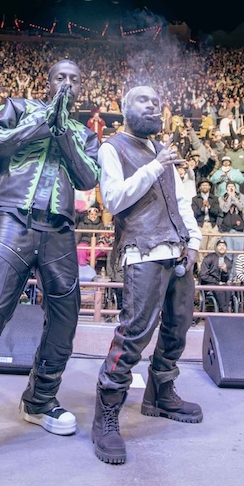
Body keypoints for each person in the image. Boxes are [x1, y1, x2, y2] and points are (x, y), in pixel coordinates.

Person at [0, 59, 100, 480]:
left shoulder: (84, 133)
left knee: (67, 315)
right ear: (47, 81)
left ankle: (40, 400)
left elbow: (86, 177)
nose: (67, 83)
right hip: (12, 218)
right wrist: (45, 121)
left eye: (74, 79)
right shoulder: (17, 106)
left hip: (59, 225)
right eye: (60, 77)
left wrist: (62, 130)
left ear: (81, 87)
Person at [91, 85, 202, 466]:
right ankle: (106, 412)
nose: (154, 105)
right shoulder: (112, 148)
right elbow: (114, 199)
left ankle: (160, 394)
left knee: (177, 328)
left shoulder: (162, 151)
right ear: (125, 110)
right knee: (135, 332)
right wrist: (156, 166)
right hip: (142, 253)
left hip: (178, 249)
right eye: (144, 100)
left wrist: (196, 241)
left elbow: (180, 199)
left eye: (157, 101)